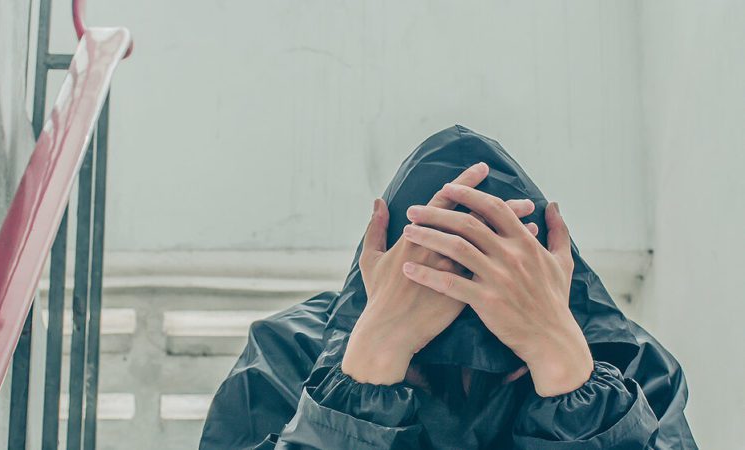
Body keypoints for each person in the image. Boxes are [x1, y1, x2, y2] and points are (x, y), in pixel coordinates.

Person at [199, 125, 697, 449]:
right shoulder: (286, 355)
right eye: (425, 370)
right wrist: (369, 368)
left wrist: (564, 366)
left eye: (508, 364)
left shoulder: (630, 368)